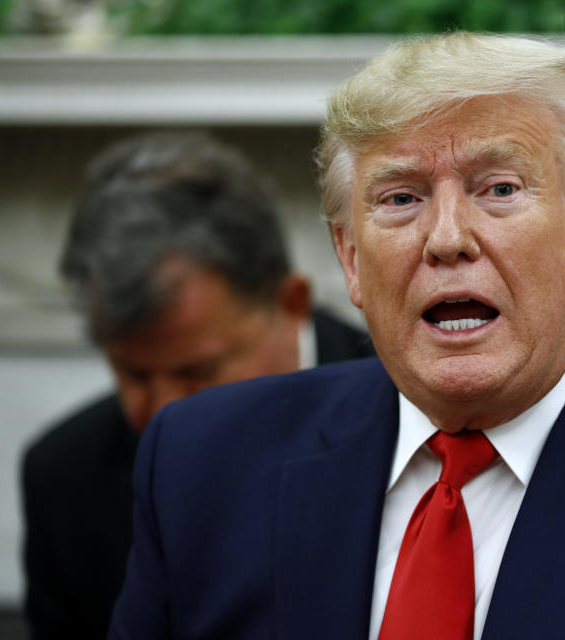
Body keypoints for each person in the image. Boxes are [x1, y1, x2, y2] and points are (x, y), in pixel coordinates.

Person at [108, 34, 565, 640]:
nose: (446, 239)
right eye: (401, 198)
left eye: (498, 189)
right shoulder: (200, 464)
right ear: (349, 260)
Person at [21, 131, 374, 640]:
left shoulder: (420, 413)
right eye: (133, 373)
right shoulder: (66, 480)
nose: (163, 411)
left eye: (196, 372)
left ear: (291, 302)